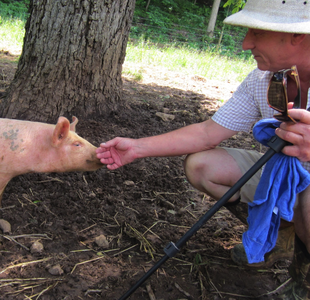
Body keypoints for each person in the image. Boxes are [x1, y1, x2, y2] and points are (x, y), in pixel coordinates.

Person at [96, 0, 310, 298]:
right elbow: (208, 132)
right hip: (285, 173)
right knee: (202, 166)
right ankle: (276, 234)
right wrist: (137, 148)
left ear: (296, 35)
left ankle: (302, 280)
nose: (246, 43)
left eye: (256, 33)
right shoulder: (264, 79)